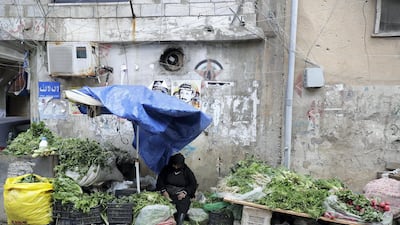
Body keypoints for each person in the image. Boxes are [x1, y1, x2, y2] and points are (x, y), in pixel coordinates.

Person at [156, 153, 198, 225]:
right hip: (167, 193)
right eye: (174, 165)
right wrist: (164, 191)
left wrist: (185, 192)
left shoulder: (186, 171)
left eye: (178, 165)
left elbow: (193, 184)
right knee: (162, 204)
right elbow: (160, 181)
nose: (176, 167)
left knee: (183, 204)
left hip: (180, 194)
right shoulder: (166, 169)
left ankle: (179, 221)